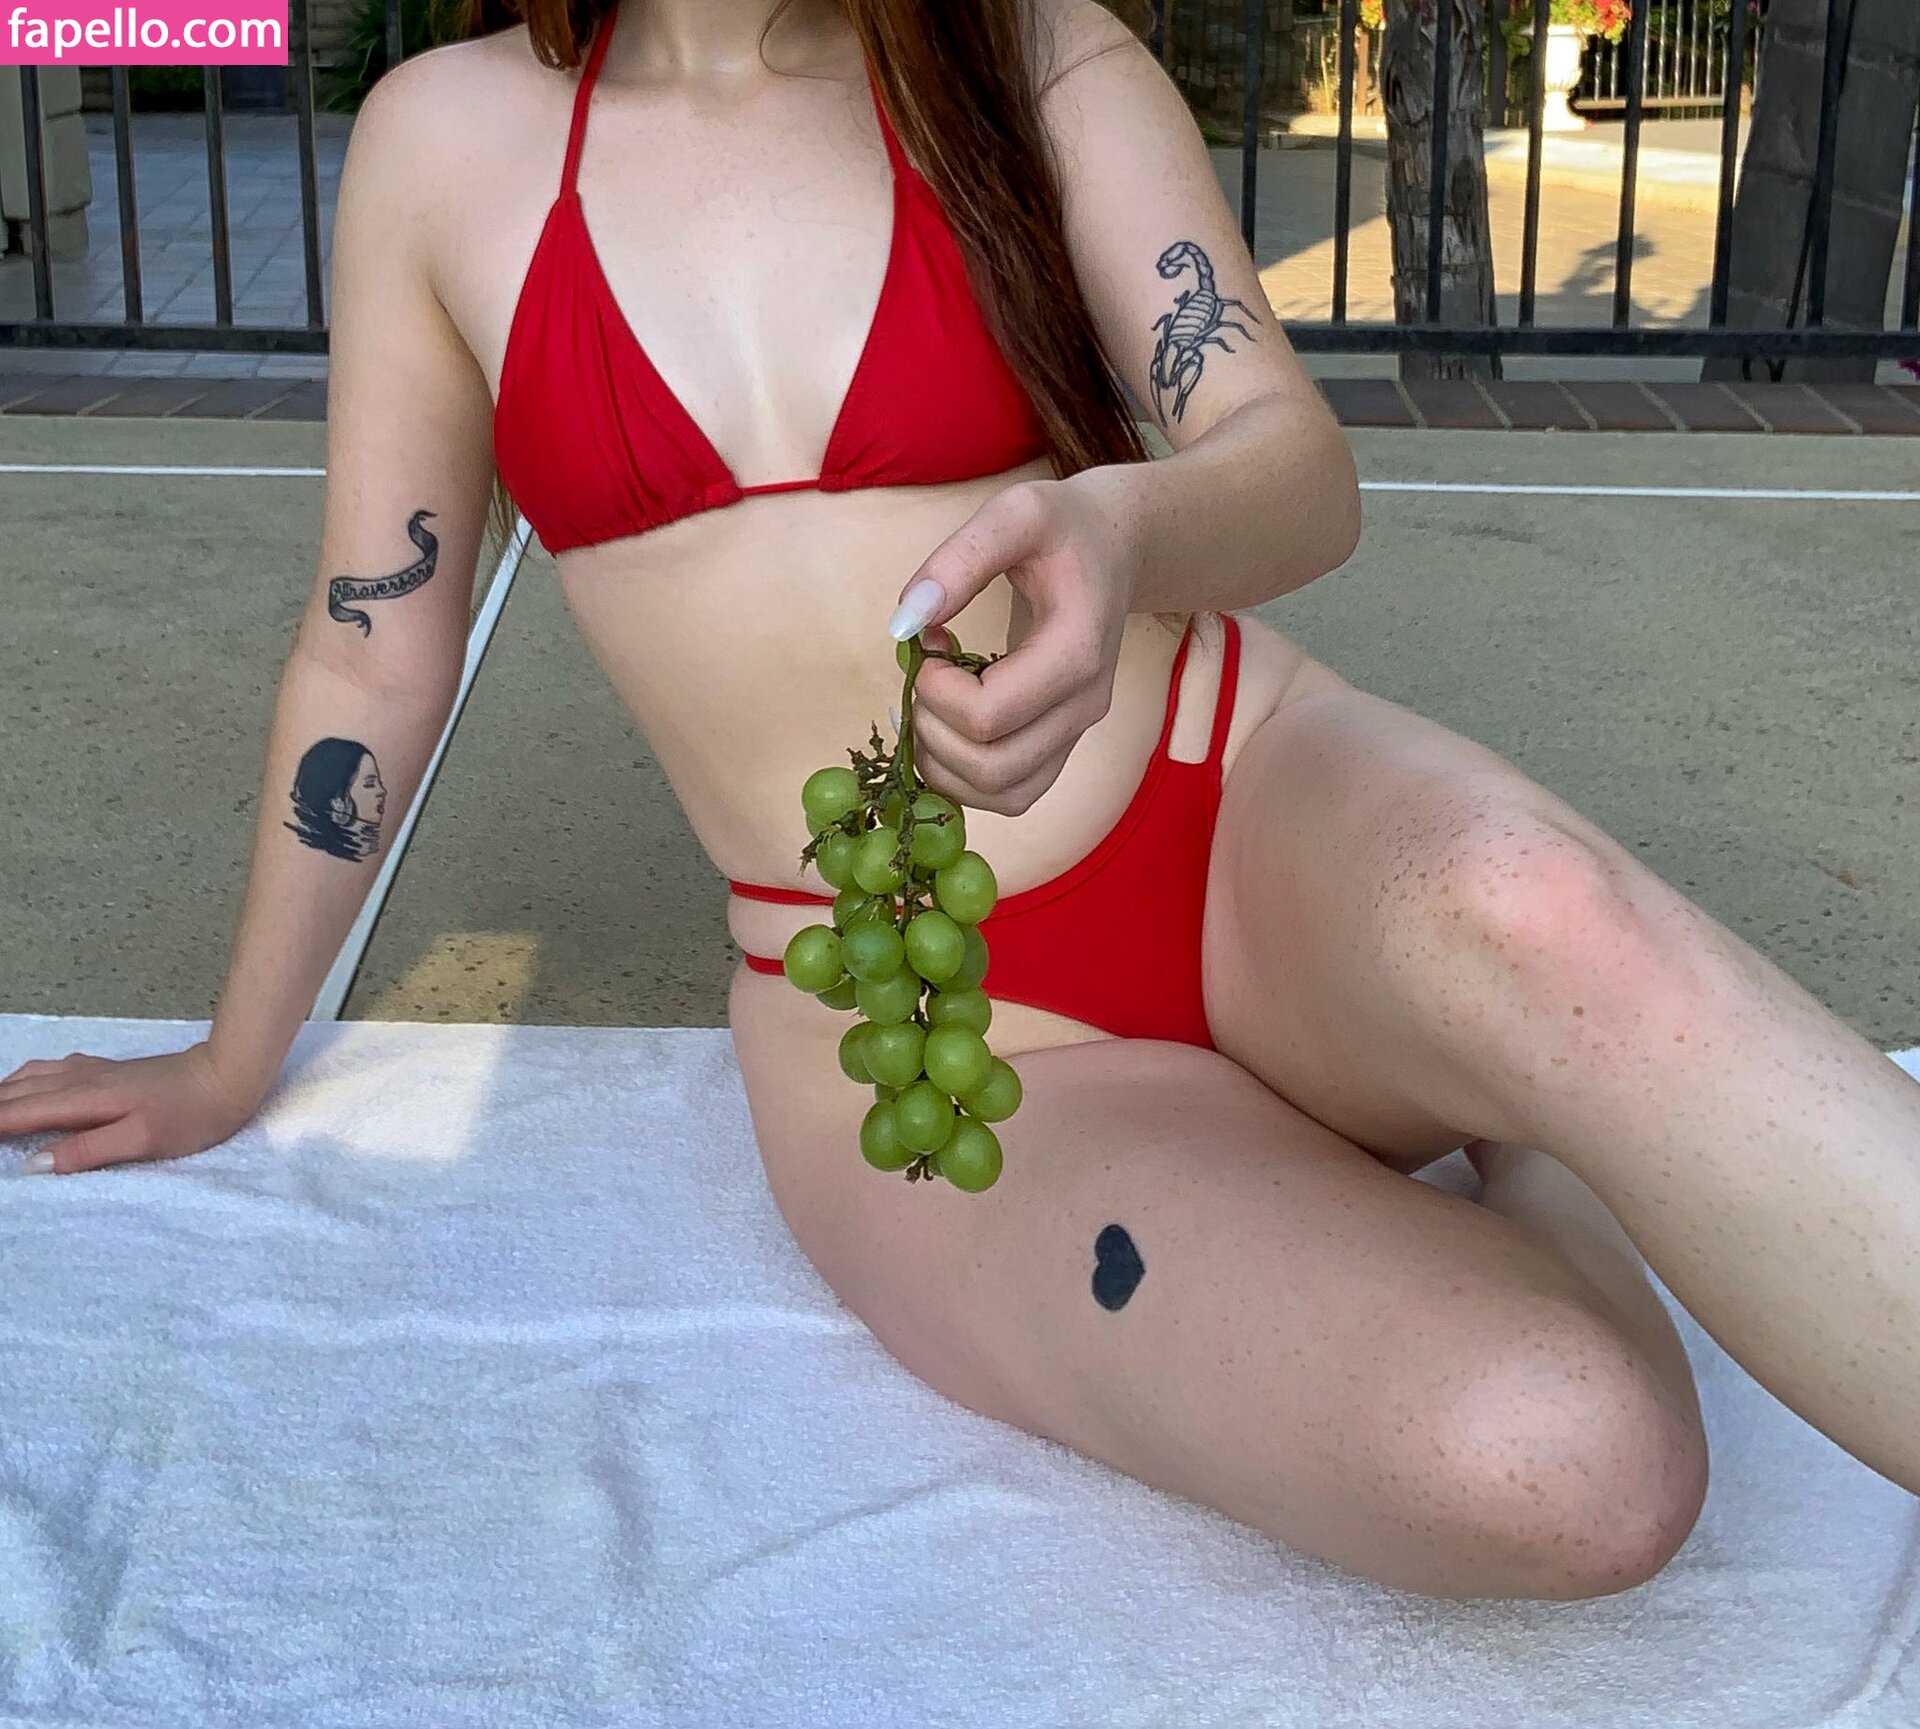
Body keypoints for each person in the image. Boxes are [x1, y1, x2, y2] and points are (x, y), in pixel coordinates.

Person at [4, 0, 1917, 1603]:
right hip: (929, 1025)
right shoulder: (443, 141)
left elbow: (1294, 469)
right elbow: (372, 650)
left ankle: (1479, 1054)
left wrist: (1124, 524)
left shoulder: (1032, 53)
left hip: (1236, 795)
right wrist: (233, 1056)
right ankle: (1525, 1143)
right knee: (1569, 1460)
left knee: (1545, 911)